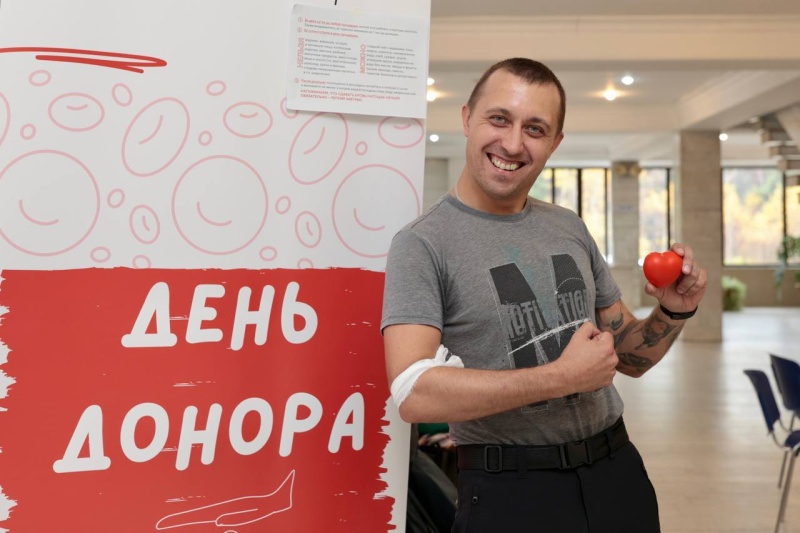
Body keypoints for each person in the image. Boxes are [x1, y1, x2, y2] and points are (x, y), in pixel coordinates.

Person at [381, 57, 707, 532]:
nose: (513, 143)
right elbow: (413, 393)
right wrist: (559, 377)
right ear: (467, 118)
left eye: (535, 128)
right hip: (509, 492)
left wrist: (673, 312)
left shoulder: (568, 227)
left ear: (555, 142)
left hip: (616, 472)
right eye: (499, 119)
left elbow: (627, 358)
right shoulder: (423, 243)